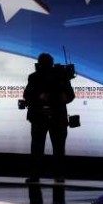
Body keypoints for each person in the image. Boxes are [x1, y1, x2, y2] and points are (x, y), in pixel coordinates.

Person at [22, 52, 75, 184]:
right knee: (54, 148)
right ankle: (57, 176)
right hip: (44, 117)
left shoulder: (40, 77)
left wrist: (58, 99)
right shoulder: (37, 77)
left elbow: (27, 95)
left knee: (40, 148)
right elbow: (70, 96)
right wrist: (41, 98)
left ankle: (38, 176)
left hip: (54, 117)